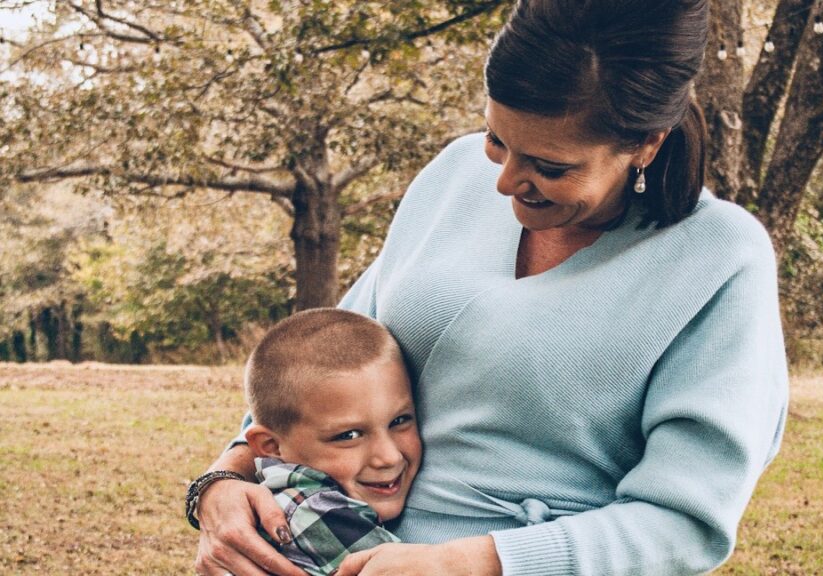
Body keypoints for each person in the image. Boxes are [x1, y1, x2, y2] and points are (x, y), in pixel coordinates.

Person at [190, 0, 789, 574]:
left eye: (549, 167)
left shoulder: (718, 257)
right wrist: (227, 477)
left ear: (645, 144)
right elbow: (321, 361)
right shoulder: (455, 175)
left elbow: (685, 525)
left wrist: (470, 563)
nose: (504, 182)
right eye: (497, 140)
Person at [187, 308, 420, 576]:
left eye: (400, 420)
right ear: (271, 446)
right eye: (349, 435)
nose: (389, 457)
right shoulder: (313, 511)